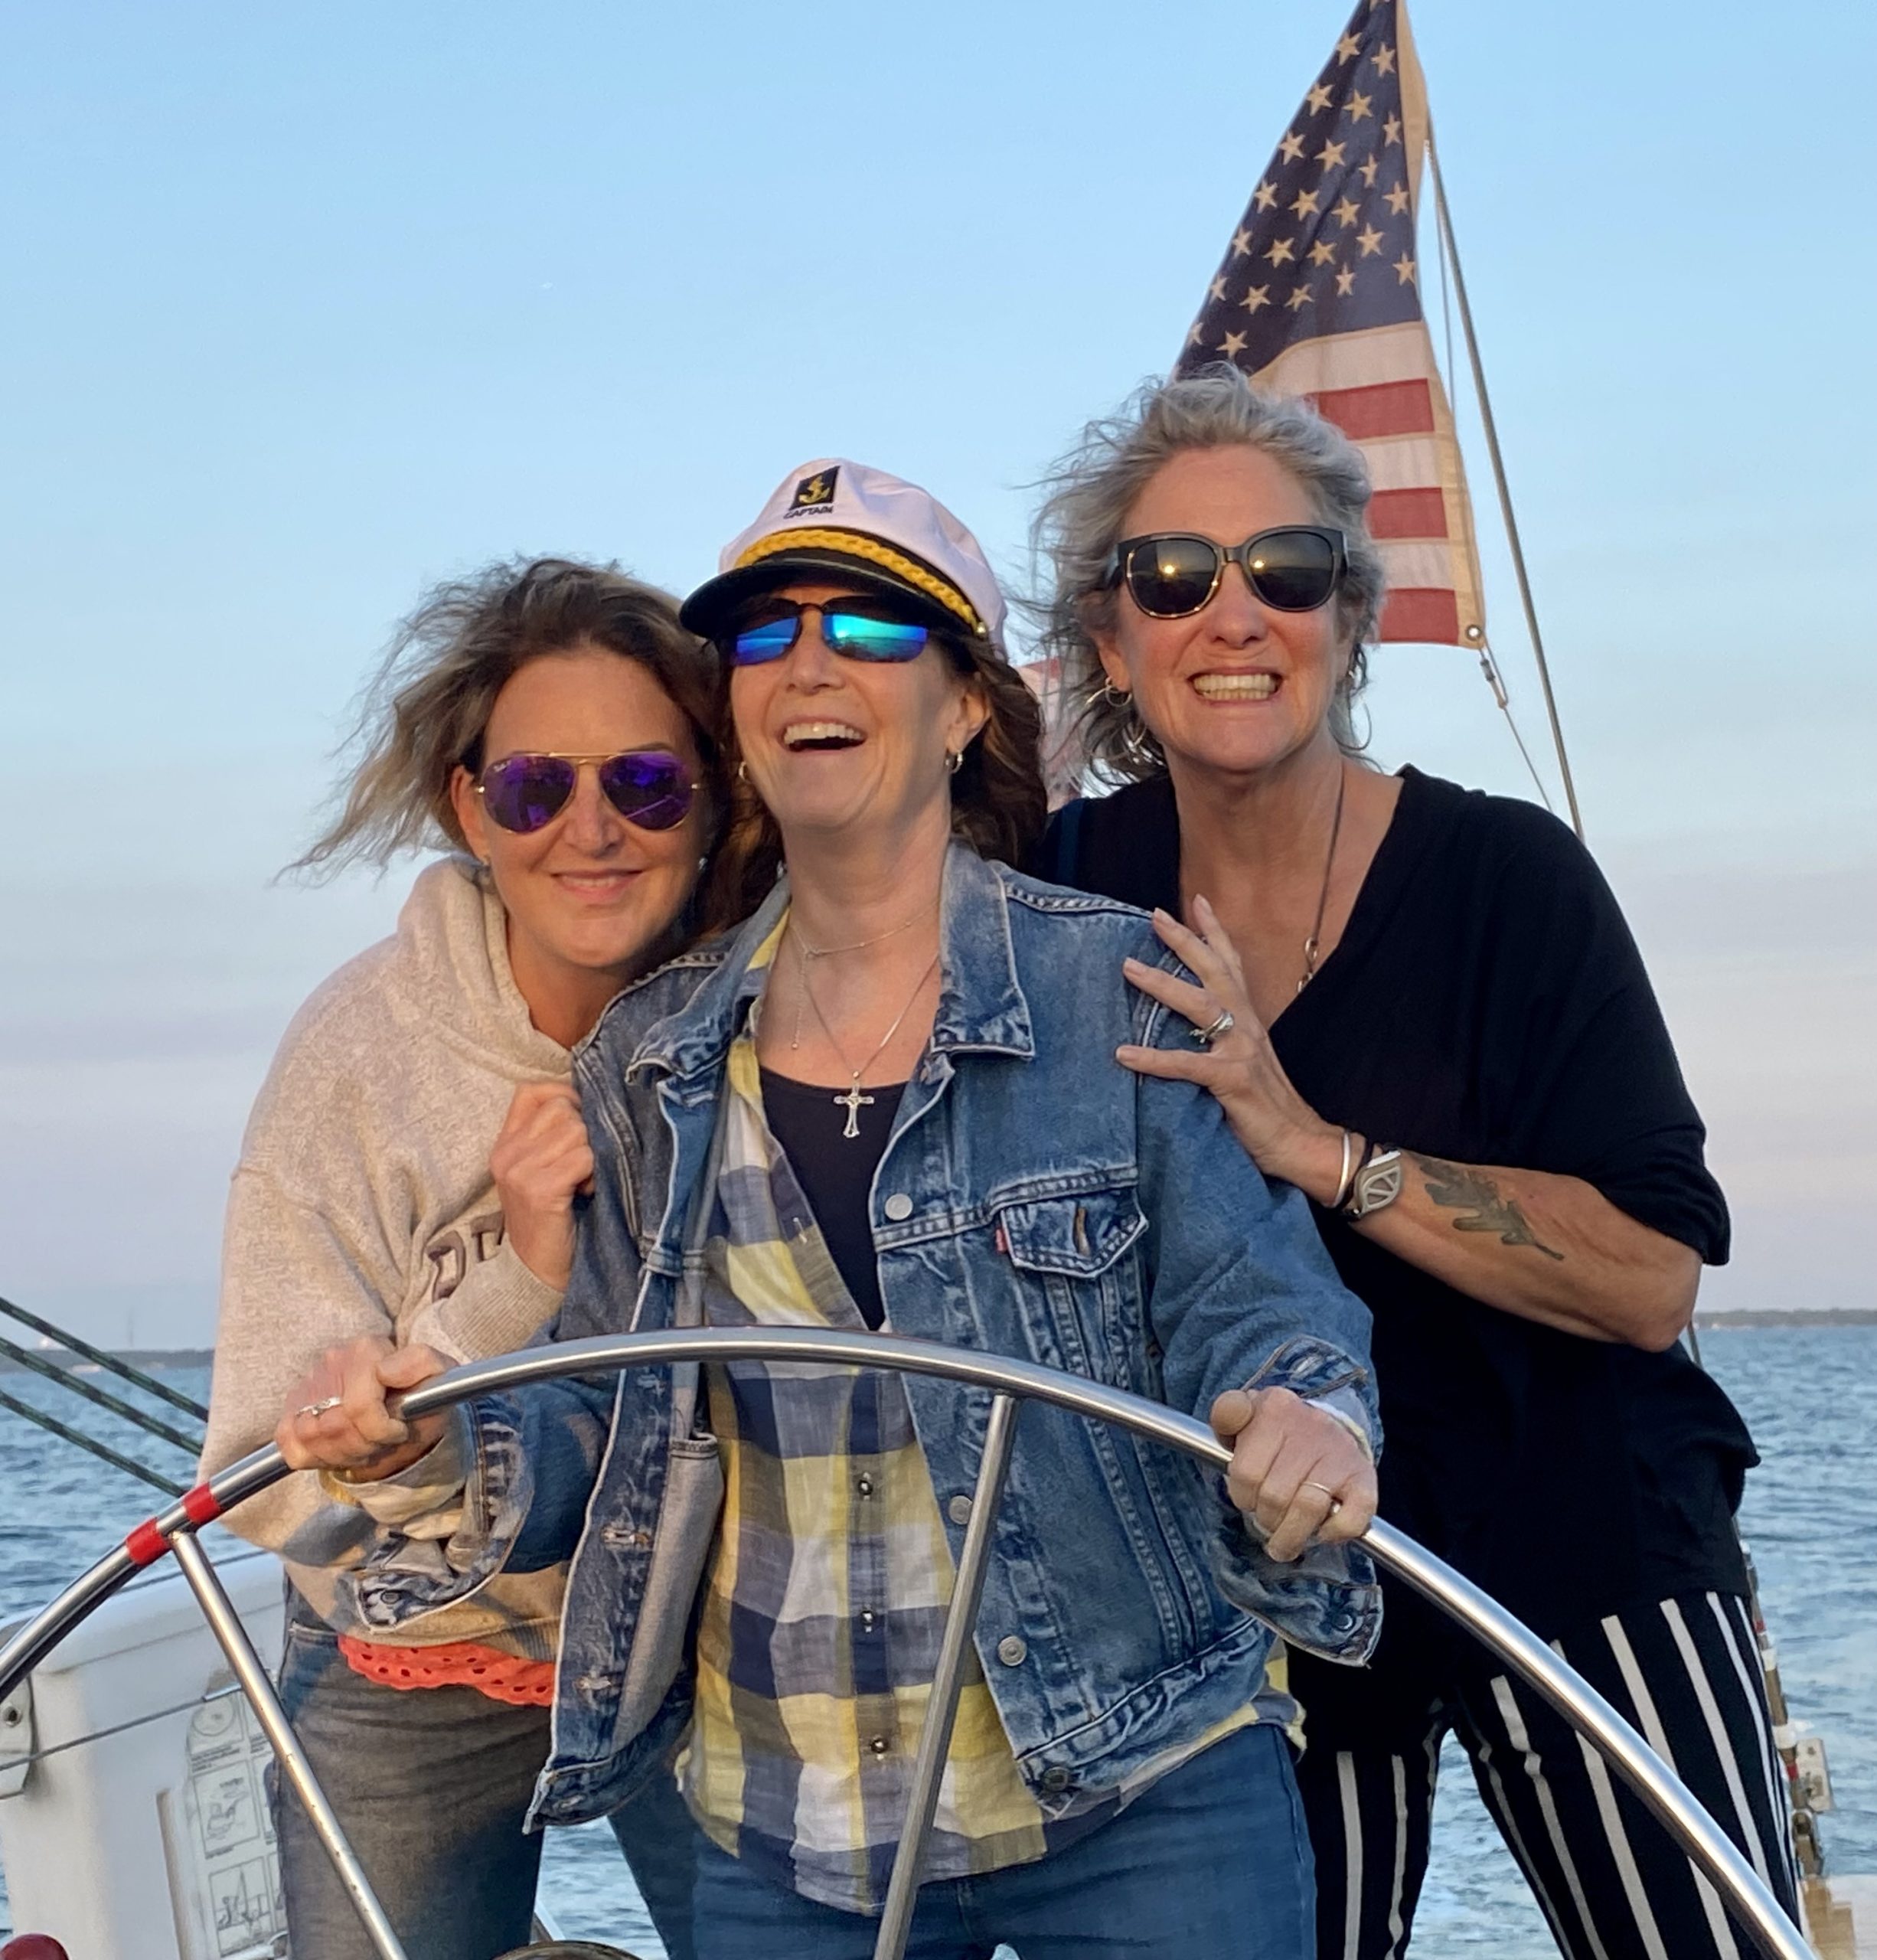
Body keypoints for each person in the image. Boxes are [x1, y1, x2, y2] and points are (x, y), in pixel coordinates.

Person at [276, 459, 1389, 1960]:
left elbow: (1257, 1304)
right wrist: (430, 1446)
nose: (809, 661)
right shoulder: (648, 1059)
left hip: (1147, 1786)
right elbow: (593, 1425)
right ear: (738, 712)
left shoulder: (1114, 983)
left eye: (868, 626)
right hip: (789, 1834)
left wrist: (1309, 1411)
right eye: (766, 632)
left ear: (968, 704)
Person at [1030, 368, 1799, 1960]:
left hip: (1581, 1542)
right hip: (1273, 1568)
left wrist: (1313, 1147)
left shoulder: (1509, 879)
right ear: (1110, 640)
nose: (1232, 614)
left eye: (1286, 568)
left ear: (1351, 617)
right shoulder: (1063, 889)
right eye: (1173, 576)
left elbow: (1651, 1277)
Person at [201, 558, 717, 1960]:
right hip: (417, 1648)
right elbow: (269, 1473)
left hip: (709, 1624)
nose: (592, 831)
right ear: (470, 807)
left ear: (714, 799)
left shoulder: (775, 1013)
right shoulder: (356, 1055)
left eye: (647, 784)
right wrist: (510, 1282)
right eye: (538, 788)